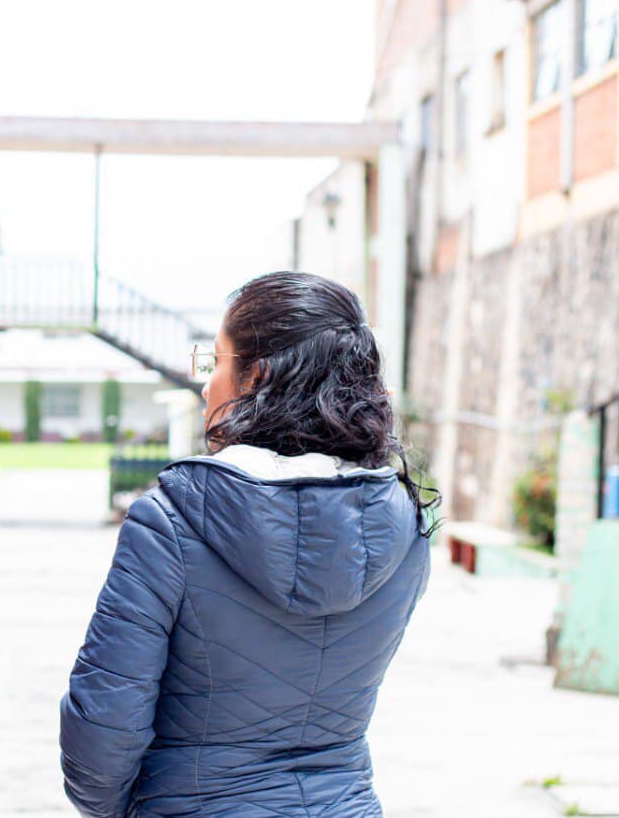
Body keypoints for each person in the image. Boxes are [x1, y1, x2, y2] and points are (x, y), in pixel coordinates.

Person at [60, 271, 435, 817]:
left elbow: (104, 725)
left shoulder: (169, 523)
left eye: (216, 362)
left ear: (255, 376)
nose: (207, 383)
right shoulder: (404, 525)